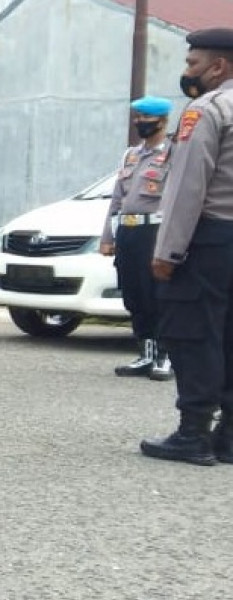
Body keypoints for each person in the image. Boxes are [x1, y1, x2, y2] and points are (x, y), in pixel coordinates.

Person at [140, 27, 233, 466]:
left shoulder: (208, 109)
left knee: (194, 332)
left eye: (193, 63)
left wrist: (168, 250)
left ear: (219, 66)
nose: (187, 71)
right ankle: (228, 436)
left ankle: (193, 432)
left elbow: (186, 187)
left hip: (210, 238)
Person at [99, 96, 174, 381]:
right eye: (137, 117)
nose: (139, 122)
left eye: (145, 118)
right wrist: (107, 236)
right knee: (134, 295)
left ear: (162, 121)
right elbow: (117, 199)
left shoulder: (173, 153)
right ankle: (146, 352)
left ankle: (166, 356)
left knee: (159, 296)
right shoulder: (131, 155)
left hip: (155, 232)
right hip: (129, 232)